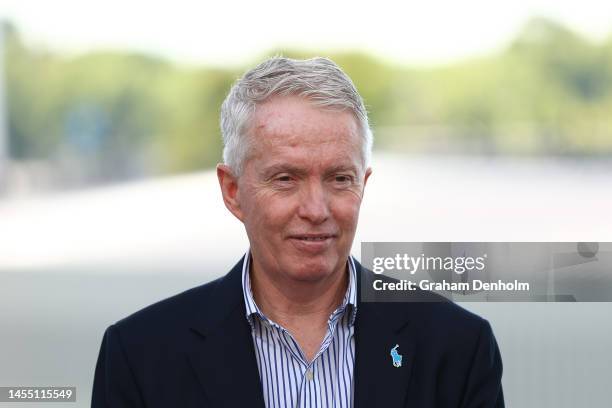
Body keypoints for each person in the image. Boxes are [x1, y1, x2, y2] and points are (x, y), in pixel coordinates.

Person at [92, 56, 504, 407]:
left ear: (364, 184)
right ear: (232, 191)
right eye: (286, 179)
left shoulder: (458, 347)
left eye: (340, 178)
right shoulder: (140, 356)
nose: (316, 209)